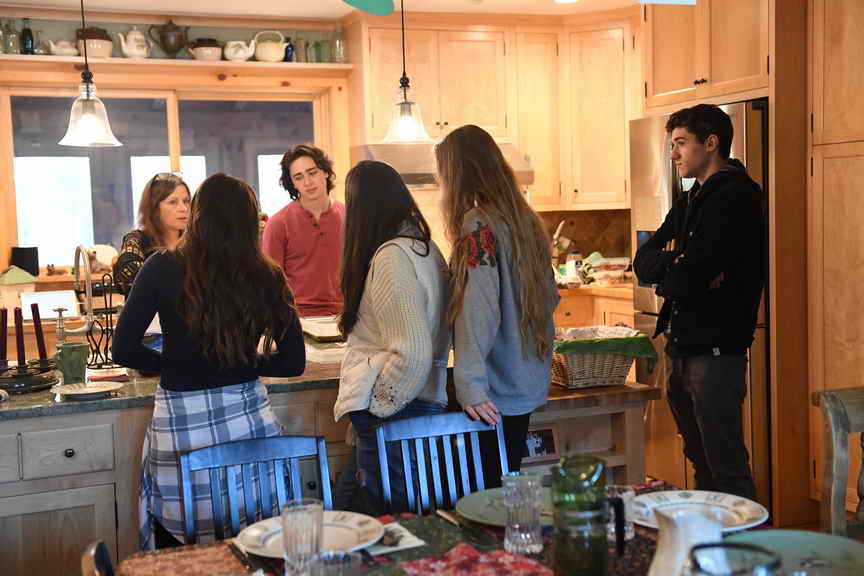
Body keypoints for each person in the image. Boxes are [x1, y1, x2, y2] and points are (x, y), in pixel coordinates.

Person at [113, 173, 305, 549]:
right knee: (253, 540)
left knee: (182, 541)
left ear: (198, 215)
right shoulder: (267, 274)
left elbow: (123, 350)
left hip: (182, 426)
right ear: (251, 221)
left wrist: (176, 362)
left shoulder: (161, 266)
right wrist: (243, 362)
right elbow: (292, 363)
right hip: (249, 425)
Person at [633, 104, 764, 499]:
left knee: (726, 465)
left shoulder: (735, 195)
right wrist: (679, 264)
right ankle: (709, 534)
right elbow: (643, 259)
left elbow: (691, 276)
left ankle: (746, 536)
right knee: (701, 461)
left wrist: (680, 271)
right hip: (683, 345)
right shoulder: (693, 197)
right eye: (672, 144)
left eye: (680, 143)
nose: (673, 154)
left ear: (711, 143)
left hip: (716, 350)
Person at [435, 125, 560, 488]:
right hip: (523, 381)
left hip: (492, 391)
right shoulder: (525, 220)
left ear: (457, 174)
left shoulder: (478, 225)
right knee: (506, 486)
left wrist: (470, 385)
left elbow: (479, 310)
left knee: (483, 495)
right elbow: (550, 296)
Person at [332, 160, 450, 515]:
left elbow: (413, 353)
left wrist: (378, 406)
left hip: (398, 409)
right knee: (349, 507)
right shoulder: (425, 248)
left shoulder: (391, 258)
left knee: (388, 520)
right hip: (421, 399)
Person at [262, 144, 345, 317]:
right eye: (298, 177)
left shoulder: (350, 217)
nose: (307, 182)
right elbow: (270, 284)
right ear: (292, 183)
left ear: (325, 172)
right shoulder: (278, 224)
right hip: (298, 318)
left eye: (312, 173)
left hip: (346, 315)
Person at [113, 172, 190, 296]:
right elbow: (125, 276)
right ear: (154, 208)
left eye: (186, 201)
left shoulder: (194, 243)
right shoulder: (136, 239)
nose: (184, 208)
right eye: (173, 202)